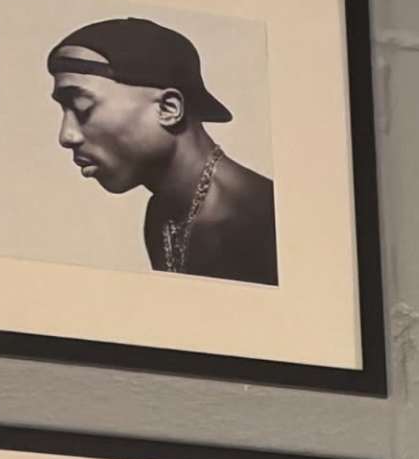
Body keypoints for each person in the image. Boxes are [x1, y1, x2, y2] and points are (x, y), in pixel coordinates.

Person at [48, 17, 277, 283]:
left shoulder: (261, 220)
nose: (66, 136)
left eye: (82, 106)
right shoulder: (162, 215)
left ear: (168, 109)